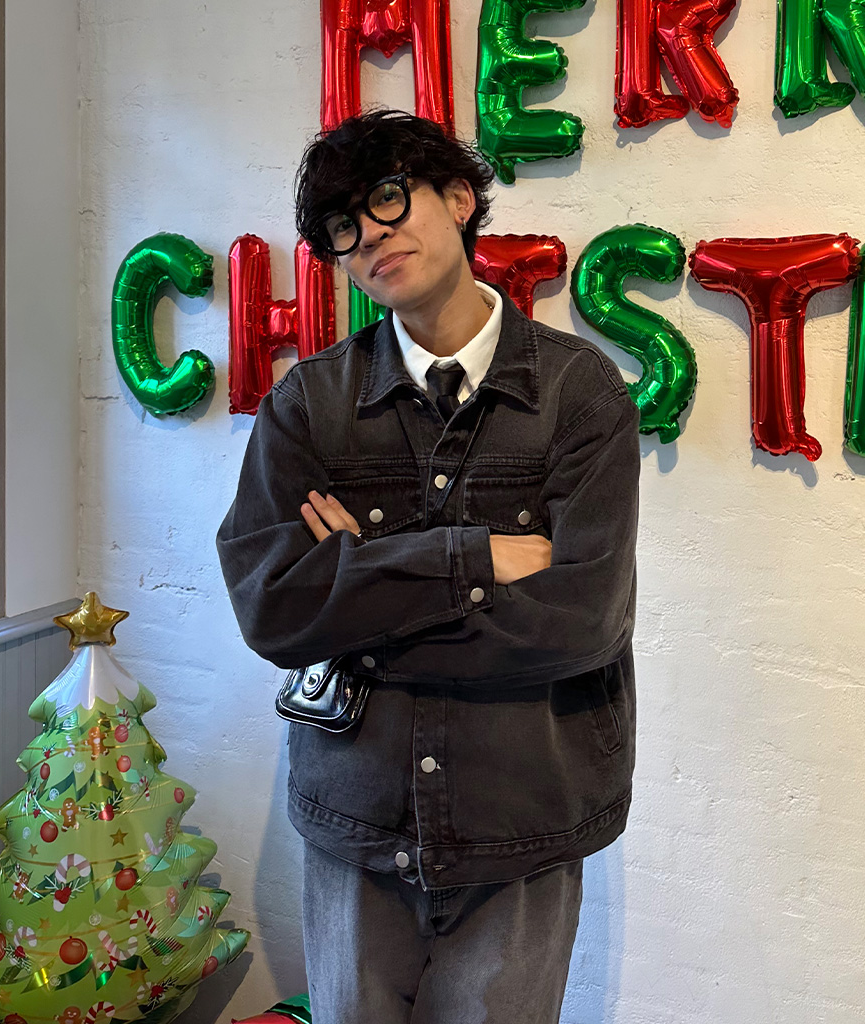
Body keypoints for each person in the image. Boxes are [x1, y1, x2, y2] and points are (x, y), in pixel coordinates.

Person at [217, 109, 640, 1024]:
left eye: (387, 198)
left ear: (457, 199)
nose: (369, 235)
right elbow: (272, 609)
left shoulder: (580, 394)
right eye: (343, 227)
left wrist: (360, 587)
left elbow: (583, 620)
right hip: (357, 818)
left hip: (521, 819)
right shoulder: (310, 404)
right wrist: (469, 556)